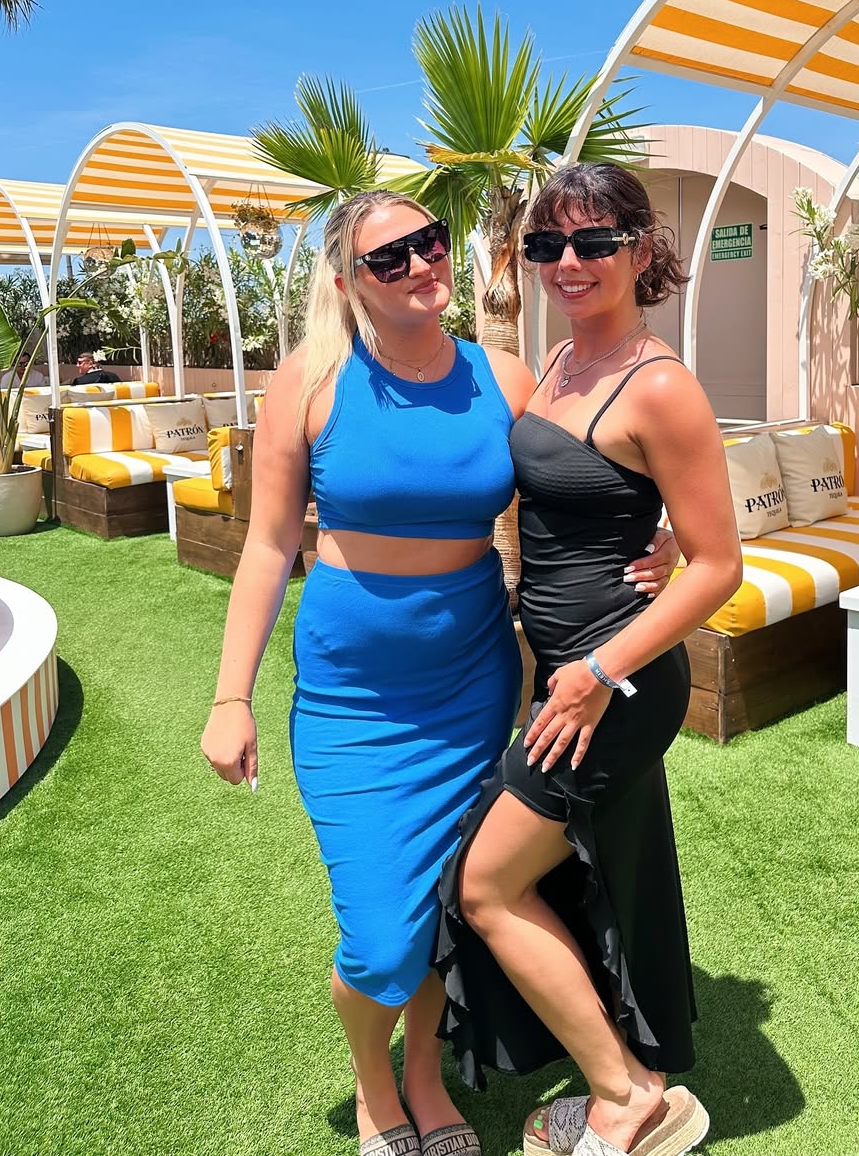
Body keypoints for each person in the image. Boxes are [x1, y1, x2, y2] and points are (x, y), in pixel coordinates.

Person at [199, 189, 677, 1156]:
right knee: (381, 931)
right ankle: (373, 1087)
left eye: (429, 242)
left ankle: (422, 1073)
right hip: (353, 697)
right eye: (390, 258)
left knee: (440, 897)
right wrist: (230, 694)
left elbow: (585, 471)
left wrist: (661, 531)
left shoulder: (502, 374)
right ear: (349, 283)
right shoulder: (309, 379)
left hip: (471, 684)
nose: (420, 265)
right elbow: (268, 543)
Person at [435, 164, 743, 1156]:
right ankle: (629, 1064)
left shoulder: (660, 384)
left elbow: (721, 565)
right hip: (564, 670)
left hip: (615, 684)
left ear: (640, 250)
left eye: (593, 241)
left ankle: (627, 1097)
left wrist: (600, 670)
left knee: (487, 884)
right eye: (546, 244)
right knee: (584, 872)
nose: (567, 262)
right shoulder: (563, 361)